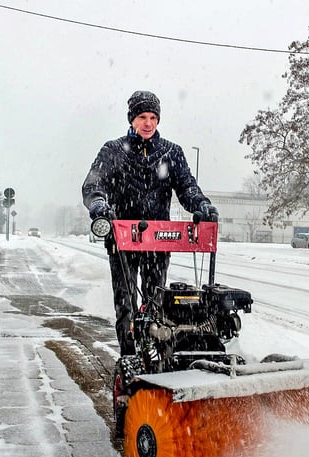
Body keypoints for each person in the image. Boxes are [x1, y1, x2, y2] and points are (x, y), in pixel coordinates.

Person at [82, 90, 218, 355]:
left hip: (159, 239)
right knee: (127, 302)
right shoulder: (113, 151)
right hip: (123, 240)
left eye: (153, 117)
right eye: (142, 117)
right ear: (132, 119)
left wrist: (201, 205)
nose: (148, 123)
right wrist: (99, 204)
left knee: (156, 301)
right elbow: (94, 183)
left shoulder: (171, 153)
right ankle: (130, 356)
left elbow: (187, 187)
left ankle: (158, 354)